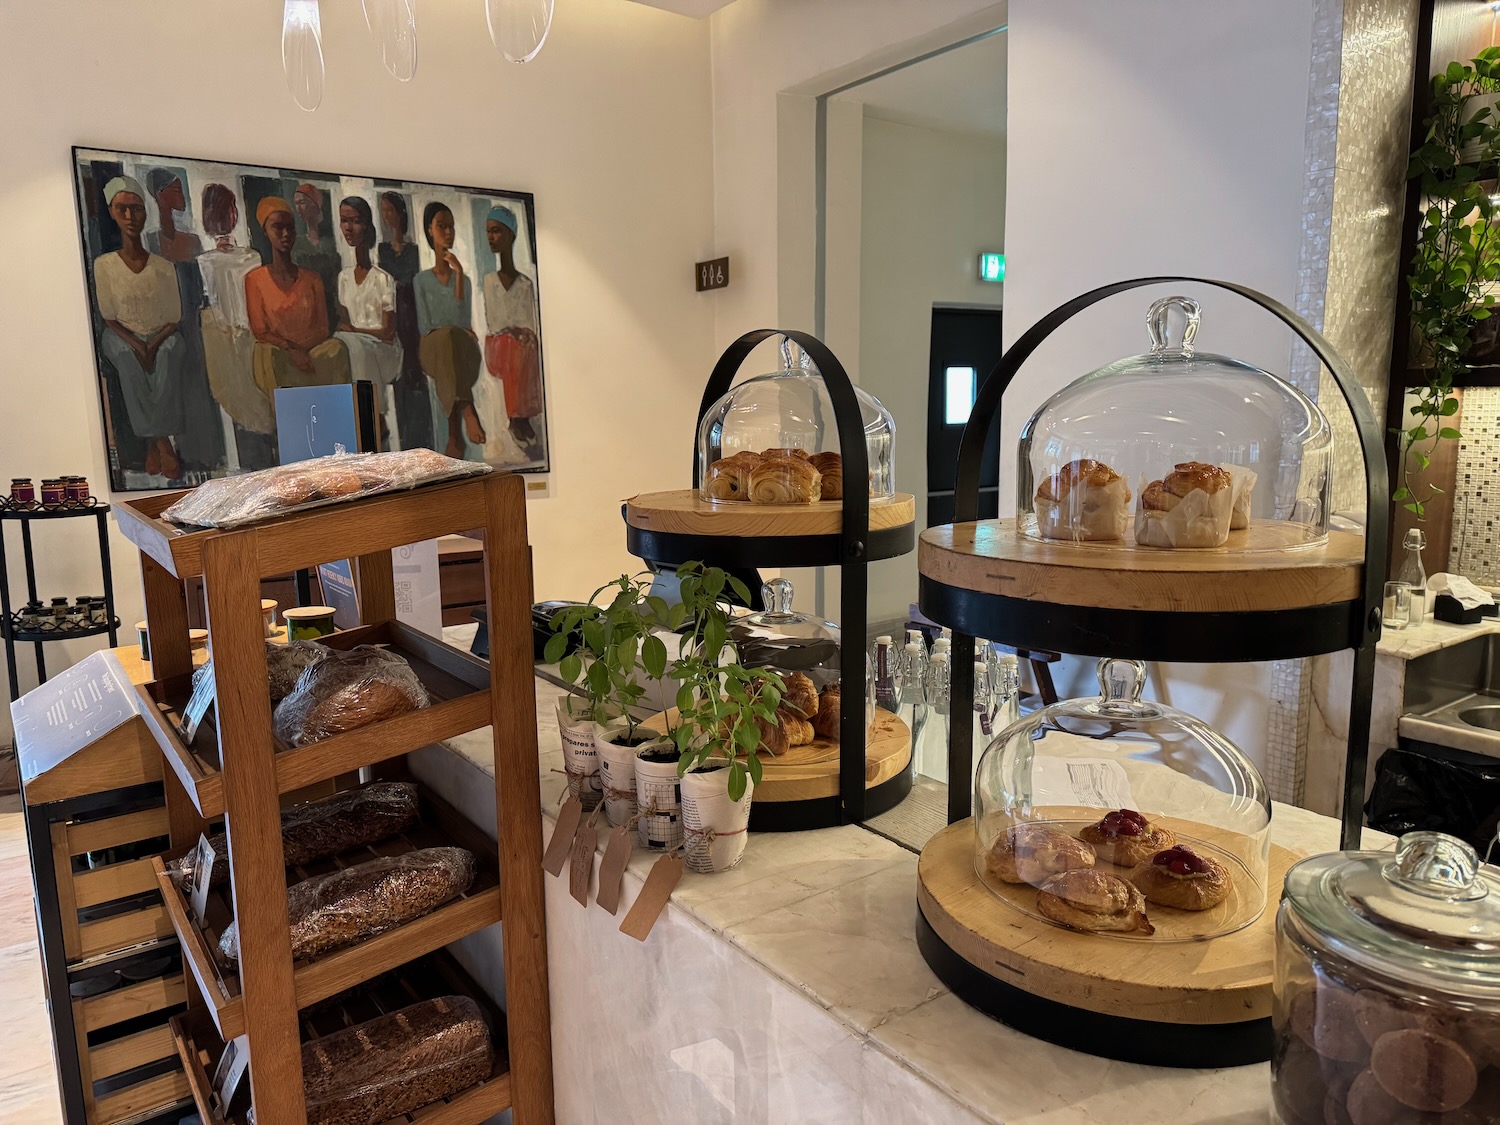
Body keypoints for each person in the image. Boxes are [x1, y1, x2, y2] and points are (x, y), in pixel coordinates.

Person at [93, 175, 186, 479]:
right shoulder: (104, 265)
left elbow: (173, 317)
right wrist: (138, 345)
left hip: (161, 334)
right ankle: (163, 443)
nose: (131, 217)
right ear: (112, 212)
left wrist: (153, 343)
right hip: (121, 335)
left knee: (170, 353)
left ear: (146, 213)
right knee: (126, 359)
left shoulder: (163, 267)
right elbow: (109, 317)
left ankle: (152, 444)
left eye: (136, 209)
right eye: (122, 209)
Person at [245, 196, 350, 400]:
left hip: (312, 354)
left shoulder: (312, 279)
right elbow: (260, 331)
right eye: (278, 227)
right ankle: (289, 424)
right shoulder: (255, 279)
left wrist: (302, 351)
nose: (285, 234)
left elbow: (322, 329)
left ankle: (338, 418)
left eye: (290, 228)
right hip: (281, 355)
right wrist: (291, 349)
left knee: (337, 348)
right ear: (265, 231)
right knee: (266, 354)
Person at [197, 183, 273, 442]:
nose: (228, 216)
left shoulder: (251, 256)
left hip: (253, 329)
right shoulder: (205, 261)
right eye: (221, 210)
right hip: (226, 333)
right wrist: (227, 328)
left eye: (230, 209)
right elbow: (215, 302)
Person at [413, 201, 485, 458]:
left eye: (451, 227)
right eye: (441, 226)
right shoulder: (420, 280)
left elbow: (463, 321)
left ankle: (455, 437)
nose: (448, 232)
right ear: (429, 230)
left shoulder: (462, 280)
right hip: (431, 348)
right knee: (446, 339)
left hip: (461, 349)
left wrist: (459, 272)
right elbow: (424, 325)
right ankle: (467, 408)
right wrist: (453, 328)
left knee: (451, 341)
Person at [333, 196, 402, 448]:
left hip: (385, 352)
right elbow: (343, 328)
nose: (349, 228)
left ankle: (375, 418)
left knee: (356, 346)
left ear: (367, 226)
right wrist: (352, 333)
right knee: (342, 345)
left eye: (355, 221)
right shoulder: (343, 279)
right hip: (356, 349)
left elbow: (387, 331)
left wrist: (355, 331)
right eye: (344, 221)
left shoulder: (383, 279)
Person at [481, 204, 544, 455]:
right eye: (488, 232)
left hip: (519, 346)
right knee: (512, 343)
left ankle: (523, 415)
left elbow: (529, 322)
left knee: (528, 344)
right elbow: (495, 323)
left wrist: (523, 332)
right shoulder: (489, 282)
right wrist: (514, 330)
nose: (491, 237)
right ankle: (516, 417)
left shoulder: (525, 284)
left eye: (496, 231)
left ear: (511, 235)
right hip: (498, 347)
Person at [378, 191, 431, 451]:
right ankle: (404, 444)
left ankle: (421, 441)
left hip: (412, 316)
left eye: (390, 210)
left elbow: (414, 284)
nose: (387, 216)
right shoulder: (381, 251)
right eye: (383, 211)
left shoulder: (413, 251)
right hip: (393, 316)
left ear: (400, 213)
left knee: (415, 374)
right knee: (398, 378)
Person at [291, 182, 341, 334]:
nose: (298, 208)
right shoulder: (297, 244)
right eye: (296, 204)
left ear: (315, 204)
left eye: (303, 203)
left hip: (329, 307)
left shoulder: (331, 244)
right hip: (305, 308)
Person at [144, 169, 203, 263]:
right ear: (160, 195)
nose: (183, 197)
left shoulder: (193, 241)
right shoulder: (149, 241)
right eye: (177, 190)